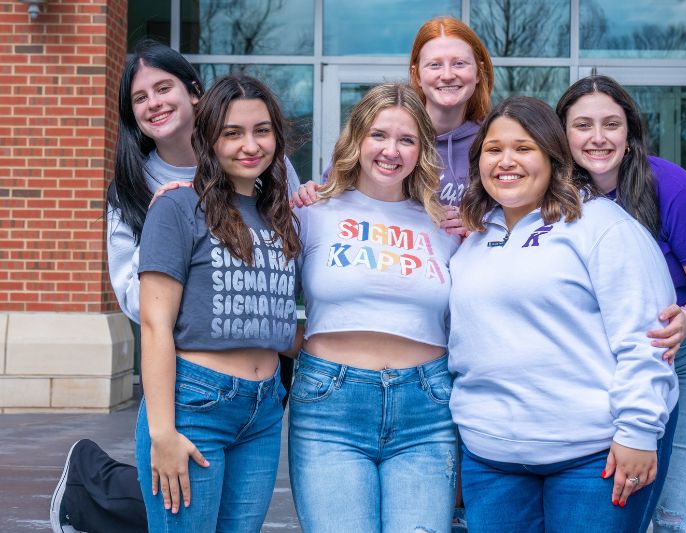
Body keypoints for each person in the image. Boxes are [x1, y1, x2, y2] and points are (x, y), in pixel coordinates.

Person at [50, 40, 300, 533]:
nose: (154, 103)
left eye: (163, 88)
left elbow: (285, 281)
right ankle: (89, 489)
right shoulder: (149, 194)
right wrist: (178, 221)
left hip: (266, 402)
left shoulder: (272, 192)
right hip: (197, 391)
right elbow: (145, 309)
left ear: (195, 96)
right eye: (140, 98)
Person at [447, 96, 679, 532]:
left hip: (592, 458)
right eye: (494, 149)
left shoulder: (600, 225)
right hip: (491, 460)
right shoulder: (472, 240)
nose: (506, 161)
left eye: (524, 148)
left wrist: (638, 430)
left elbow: (647, 337)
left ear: (554, 157)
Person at [555, 75, 686, 532]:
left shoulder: (671, 186)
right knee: (627, 500)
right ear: (562, 134)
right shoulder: (557, 196)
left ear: (630, 133)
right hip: (621, 359)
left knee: (676, 510)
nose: (598, 137)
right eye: (583, 125)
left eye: (611, 124)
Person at [288, 83, 461, 532]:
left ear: (422, 150)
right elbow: (260, 284)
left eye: (407, 139)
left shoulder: (446, 224)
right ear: (357, 139)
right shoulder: (312, 210)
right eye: (379, 135)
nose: (391, 150)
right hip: (331, 405)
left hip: (427, 408)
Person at [135, 73, 300, 531]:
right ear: (209, 139)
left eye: (261, 130)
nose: (250, 145)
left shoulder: (281, 214)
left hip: (265, 411)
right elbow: (154, 325)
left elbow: (275, 318)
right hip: (193, 407)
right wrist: (162, 433)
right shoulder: (177, 208)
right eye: (232, 133)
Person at [293, 16, 493, 229]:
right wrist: (314, 193)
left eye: (459, 63)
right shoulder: (384, 142)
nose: (447, 75)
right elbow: (335, 200)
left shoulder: (492, 144)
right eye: (434, 65)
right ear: (416, 75)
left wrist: (479, 227)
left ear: (479, 72)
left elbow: (511, 215)